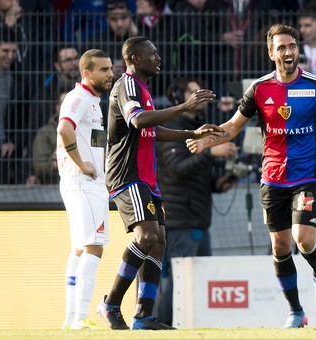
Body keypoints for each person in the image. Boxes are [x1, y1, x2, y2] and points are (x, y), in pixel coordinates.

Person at [187, 23, 316, 328]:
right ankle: (296, 312)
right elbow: (232, 126)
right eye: (281, 47)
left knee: (303, 238)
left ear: (298, 50)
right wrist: (207, 141)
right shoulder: (258, 89)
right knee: (280, 246)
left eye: (292, 46)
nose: (288, 52)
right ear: (271, 53)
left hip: (307, 175)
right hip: (272, 178)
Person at [96, 35, 222, 331]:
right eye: (152, 53)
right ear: (135, 59)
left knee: (159, 242)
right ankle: (111, 304)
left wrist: (191, 134)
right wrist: (183, 107)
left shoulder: (143, 89)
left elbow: (152, 131)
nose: (158, 57)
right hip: (128, 175)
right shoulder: (126, 85)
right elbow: (139, 121)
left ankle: (144, 316)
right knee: (147, 237)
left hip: (146, 179)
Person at [153, 76, 237, 326]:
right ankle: (165, 326)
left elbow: (191, 175)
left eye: (201, 93)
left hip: (197, 219)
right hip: (180, 222)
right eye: (193, 93)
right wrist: (210, 151)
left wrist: (216, 185)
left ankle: (191, 326)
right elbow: (178, 169)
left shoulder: (199, 127)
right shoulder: (173, 129)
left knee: (199, 281)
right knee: (178, 282)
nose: (199, 98)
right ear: (180, 98)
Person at [57, 49, 114, 330]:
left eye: (111, 68)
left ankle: (71, 318)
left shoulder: (93, 101)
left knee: (80, 248)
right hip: (83, 184)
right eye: (103, 70)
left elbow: (92, 142)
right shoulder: (78, 97)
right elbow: (64, 130)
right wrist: (81, 165)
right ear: (87, 73)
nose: (110, 74)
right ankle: (80, 317)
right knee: (94, 246)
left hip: (90, 183)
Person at [86, 0, 138, 81]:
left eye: (123, 17)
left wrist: (137, 36)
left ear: (130, 16)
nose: (119, 24)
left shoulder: (142, 38)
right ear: (107, 20)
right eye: (114, 19)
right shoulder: (96, 43)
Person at [0, 27, 19, 184]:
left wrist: (12, 140)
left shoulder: (17, 79)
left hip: (3, 146)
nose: (10, 56)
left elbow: (20, 115)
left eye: (13, 51)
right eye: (5, 50)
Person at [32, 89, 69, 184]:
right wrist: (55, 164)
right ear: (58, 108)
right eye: (66, 104)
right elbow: (39, 168)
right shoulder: (45, 133)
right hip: (54, 187)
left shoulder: (90, 130)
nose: (71, 108)